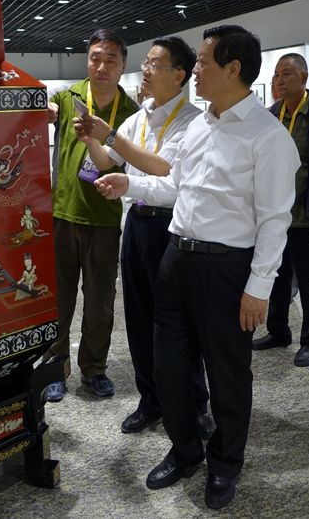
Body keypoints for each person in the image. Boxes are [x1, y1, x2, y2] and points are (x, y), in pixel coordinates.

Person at [95, 25, 298, 510]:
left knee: (227, 374)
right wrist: (130, 186)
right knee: (170, 366)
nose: (197, 71)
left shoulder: (268, 136)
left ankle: (225, 462)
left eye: (204, 62)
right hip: (176, 258)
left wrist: (259, 288)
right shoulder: (201, 125)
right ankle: (185, 449)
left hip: (226, 268)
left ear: (233, 69)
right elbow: (176, 187)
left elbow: (275, 220)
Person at [74, 36, 212, 438]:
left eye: (155, 64)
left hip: (171, 227)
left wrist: (110, 136)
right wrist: (91, 138)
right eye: (147, 63)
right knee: (138, 318)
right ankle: (151, 399)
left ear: (179, 75)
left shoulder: (193, 122)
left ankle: (194, 403)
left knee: (178, 321)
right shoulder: (139, 117)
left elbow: (163, 168)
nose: (146, 71)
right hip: (137, 223)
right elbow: (107, 161)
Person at [42, 29, 140, 401]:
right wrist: (46, 111)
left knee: (100, 300)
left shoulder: (130, 112)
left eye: (110, 60)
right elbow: (47, 110)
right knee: (59, 298)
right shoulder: (68, 98)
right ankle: (55, 366)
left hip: (103, 219)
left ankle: (94, 368)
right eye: (95, 58)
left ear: (122, 65)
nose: (101, 66)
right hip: (62, 214)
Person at [251, 54, 309, 367]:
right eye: (277, 75)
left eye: (286, 74)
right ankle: (278, 331)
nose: (279, 80)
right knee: (277, 276)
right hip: (276, 216)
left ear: (304, 77)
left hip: (306, 217)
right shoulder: (272, 115)